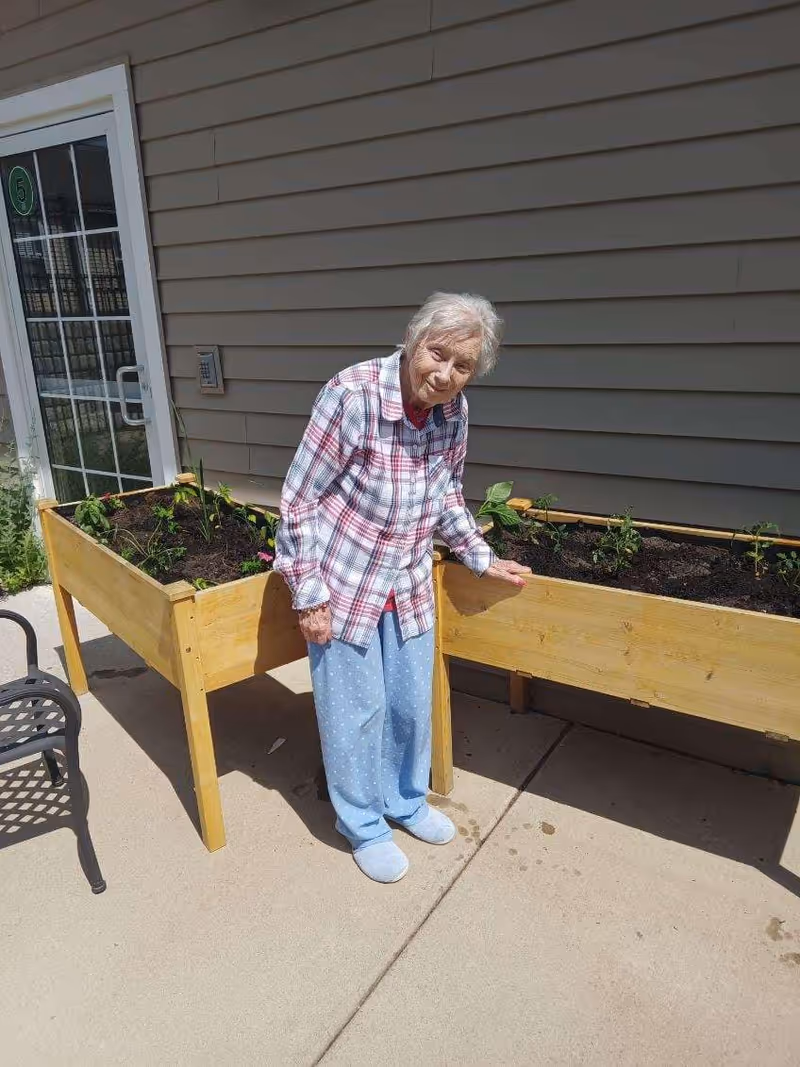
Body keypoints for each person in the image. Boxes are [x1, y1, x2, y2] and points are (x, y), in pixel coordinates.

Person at [275, 292, 530, 883]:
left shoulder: (453, 411)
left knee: (411, 704)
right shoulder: (352, 395)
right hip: (345, 582)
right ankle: (362, 824)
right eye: (437, 354)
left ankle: (405, 802)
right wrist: (308, 594)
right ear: (413, 340)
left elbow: (446, 495)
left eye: (463, 366)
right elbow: (299, 500)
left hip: (409, 580)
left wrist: (481, 558)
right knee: (356, 713)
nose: (445, 374)